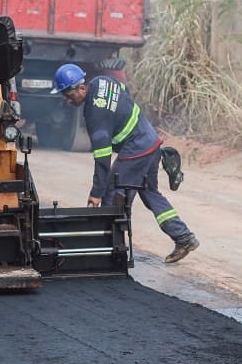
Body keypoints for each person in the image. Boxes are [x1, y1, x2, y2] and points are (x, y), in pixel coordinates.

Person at [51, 62, 198, 264]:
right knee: (149, 192)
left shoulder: (94, 114)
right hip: (150, 139)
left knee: (113, 194)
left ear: (81, 88)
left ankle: (111, 251)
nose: (67, 101)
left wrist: (96, 193)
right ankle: (184, 238)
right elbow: (124, 90)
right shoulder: (102, 81)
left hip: (136, 147)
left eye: (69, 95)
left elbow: (102, 158)